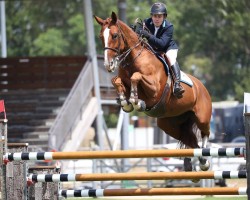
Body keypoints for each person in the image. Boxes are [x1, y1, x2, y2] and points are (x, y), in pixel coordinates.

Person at [135, 2, 185, 98]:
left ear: (164, 17)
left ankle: (177, 84)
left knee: (171, 59)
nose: (157, 19)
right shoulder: (147, 22)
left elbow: (162, 44)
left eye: (159, 16)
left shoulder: (169, 27)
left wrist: (148, 35)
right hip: (153, 49)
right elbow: (138, 33)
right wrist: (135, 31)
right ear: (151, 16)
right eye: (154, 16)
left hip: (167, 48)